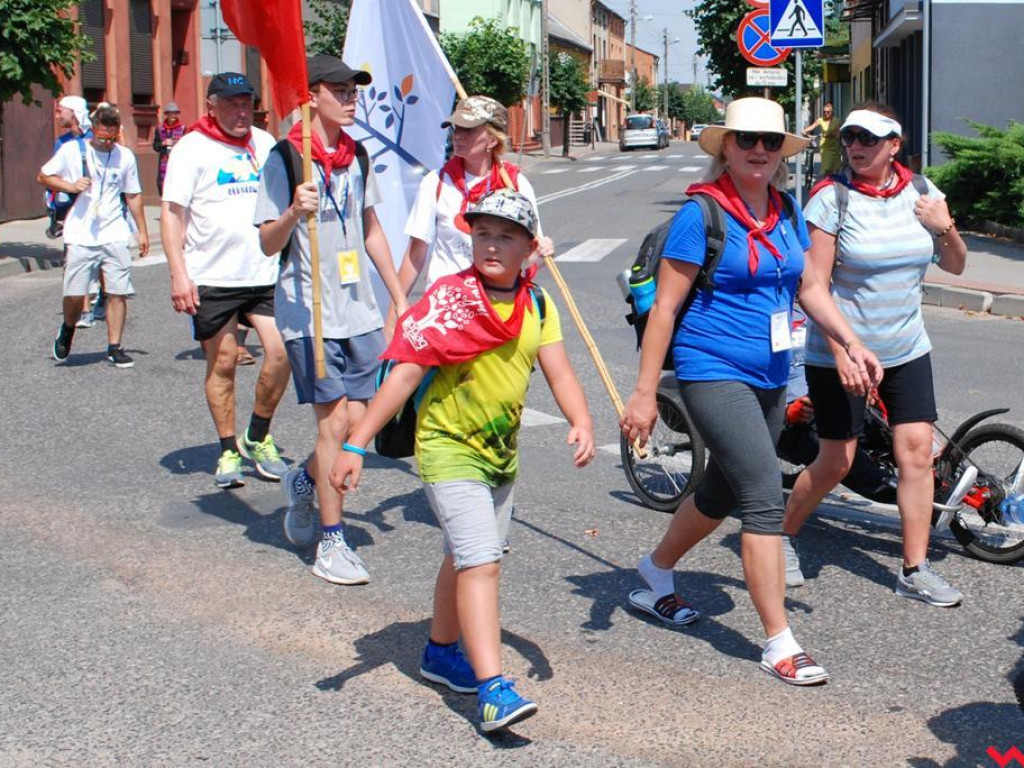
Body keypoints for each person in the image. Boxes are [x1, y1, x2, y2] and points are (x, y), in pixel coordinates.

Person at [619, 98, 882, 686]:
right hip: (709, 368)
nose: (758, 150)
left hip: (769, 371)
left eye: (769, 141)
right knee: (762, 495)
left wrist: (849, 341)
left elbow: (810, 286)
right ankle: (780, 643)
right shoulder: (701, 215)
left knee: (719, 489)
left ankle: (655, 571)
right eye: (746, 141)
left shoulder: (786, 208)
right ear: (726, 149)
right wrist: (642, 393)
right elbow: (663, 309)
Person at [329, 189, 595, 733]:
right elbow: (403, 372)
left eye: (506, 236)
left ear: (528, 247)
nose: (492, 245)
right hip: (447, 448)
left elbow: (559, 370)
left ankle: (439, 651)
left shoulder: (536, 304)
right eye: (482, 234)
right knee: (481, 560)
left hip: (498, 455)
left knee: (464, 553)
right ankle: (493, 689)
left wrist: (581, 419)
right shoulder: (451, 300)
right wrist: (356, 443)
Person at [781, 103, 968, 606]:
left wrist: (945, 226)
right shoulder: (831, 199)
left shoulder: (923, 193)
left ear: (894, 144)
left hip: (906, 348)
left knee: (915, 452)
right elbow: (812, 283)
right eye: (850, 138)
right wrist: (844, 346)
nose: (857, 146)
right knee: (837, 461)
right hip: (839, 353)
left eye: (869, 137)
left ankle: (914, 568)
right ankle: (782, 536)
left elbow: (955, 265)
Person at [255, 55, 407, 584]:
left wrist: (398, 296)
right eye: (340, 90)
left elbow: (371, 230)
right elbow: (267, 241)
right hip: (309, 312)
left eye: (354, 90)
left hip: (358, 310)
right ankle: (332, 542)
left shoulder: (357, 156)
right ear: (312, 95)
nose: (351, 98)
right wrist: (293, 213)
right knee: (336, 423)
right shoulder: (285, 159)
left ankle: (303, 482)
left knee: (363, 423)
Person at [160, 73, 291, 489]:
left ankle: (258, 434)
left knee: (282, 351)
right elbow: (172, 213)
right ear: (211, 104)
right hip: (213, 276)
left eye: (246, 103)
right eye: (231, 103)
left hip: (263, 271)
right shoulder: (191, 148)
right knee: (225, 362)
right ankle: (228, 449)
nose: (240, 111)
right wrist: (179, 273)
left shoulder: (264, 142)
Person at [391, 95, 552, 324]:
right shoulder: (436, 182)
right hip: (446, 309)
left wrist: (543, 252)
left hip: (498, 308)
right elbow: (415, 255)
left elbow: (530, 254)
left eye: (469, 130)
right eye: (456, 128)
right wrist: (395, 309)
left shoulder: (515, 184)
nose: (458, 136)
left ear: (492, 140)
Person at [40, 103, 149, 368]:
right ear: (93, 131)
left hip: (114, 232)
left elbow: (132, 194)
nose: (108, 142)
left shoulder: (124, 156)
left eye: (112, 138)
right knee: (75, 295)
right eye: (103, 137)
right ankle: (68, 327)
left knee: (117, 291)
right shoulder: (72, 151)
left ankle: (115, 346)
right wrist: (69, 185)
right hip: (80, 234)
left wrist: (142, 231)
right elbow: (43, 176)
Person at [46, 96, 93, 241]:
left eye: (60, 111)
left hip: (95, 201)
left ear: (73, 113)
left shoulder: (96, 138)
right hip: (72, 201)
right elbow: (53, 174)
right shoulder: (62, 142)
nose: (57, 116)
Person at [153, 101, 184, 195]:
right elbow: (155, 146)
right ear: (167, 114)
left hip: (178, 161)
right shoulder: (159, 129)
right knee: (163, 184)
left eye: (176, 112)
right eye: (172, 112)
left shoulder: (183, 128)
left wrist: (175, 143)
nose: (174, 115)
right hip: (164, 161)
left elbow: (186, 146)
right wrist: (163, 143)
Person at [802, 101, 840, 179]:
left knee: (835, 168)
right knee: (826, 167)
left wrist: (828, 134)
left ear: (832, 112)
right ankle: (825, 183)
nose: (826, 114)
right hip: (825, 146)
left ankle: (833, 183)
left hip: (835, 146)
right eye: (824, 112)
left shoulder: (836, 121)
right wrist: (805, 132)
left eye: (828, 112)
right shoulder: (821, 120)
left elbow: (838, 133)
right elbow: (812, 126)